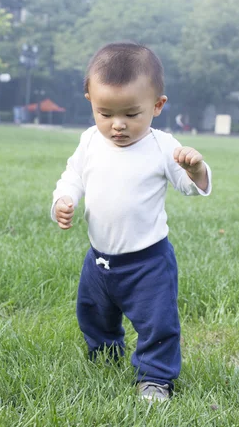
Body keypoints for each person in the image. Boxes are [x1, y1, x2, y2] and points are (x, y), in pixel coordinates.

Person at [51, 42, 212, 403]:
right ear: (90, 98)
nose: (118, 125)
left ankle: (155, 377)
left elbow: (190, 186)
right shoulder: (90, 141)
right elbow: (73, 176)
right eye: (105, 113)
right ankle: (106, 357)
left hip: (148, 261)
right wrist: (64, 200)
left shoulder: (161, 146)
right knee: (93, 314)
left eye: (132, 114)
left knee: (157, 323)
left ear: (157, 106)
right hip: (99, 259)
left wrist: (196, 169)